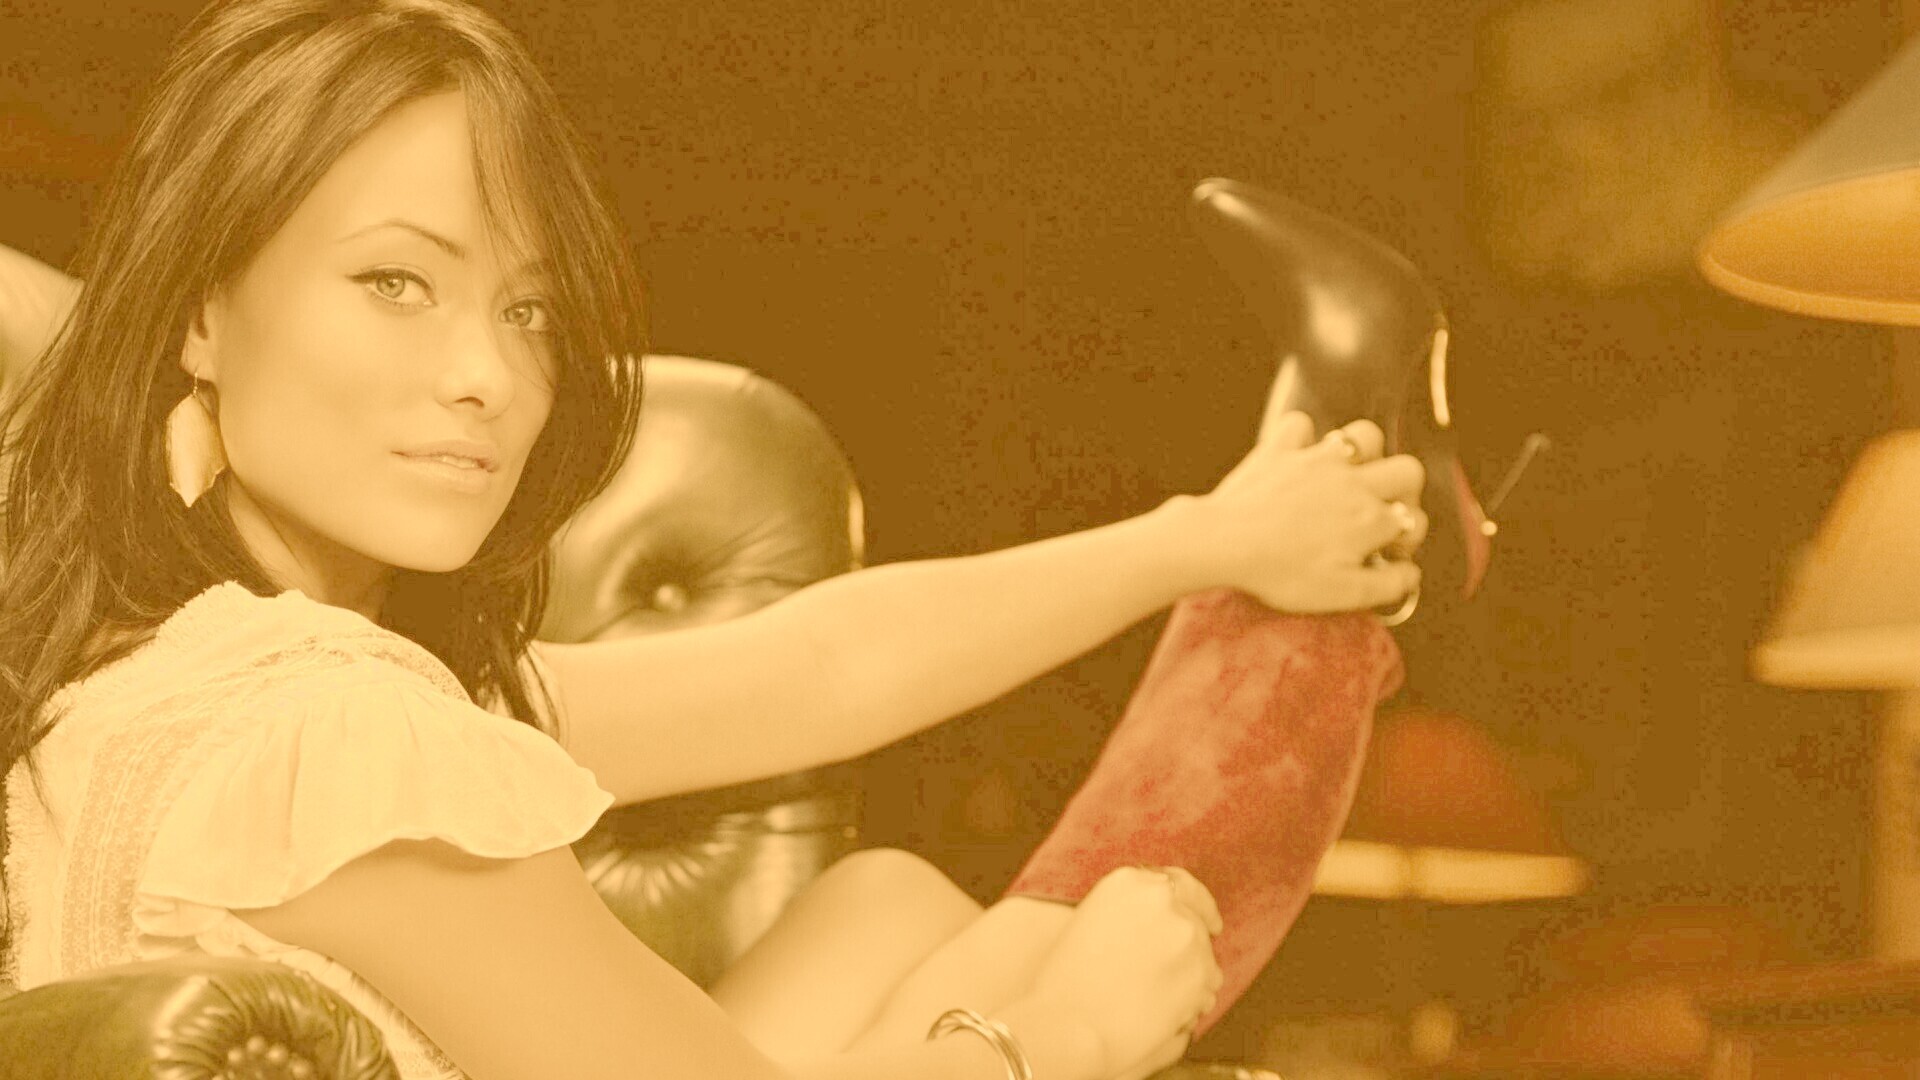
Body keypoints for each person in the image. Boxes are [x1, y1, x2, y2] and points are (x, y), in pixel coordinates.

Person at [0, 2, 1425, 1079]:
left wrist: (1205, 536)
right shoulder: (336, 741)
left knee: (884, 908)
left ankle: (1308, 521)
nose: (489, 375)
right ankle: (1361, 503)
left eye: (528, 310)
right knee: (1079, 942)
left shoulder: (146, 682)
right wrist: (1067, 1035)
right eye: (396, 282)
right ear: (199, 310)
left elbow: (816, 670)